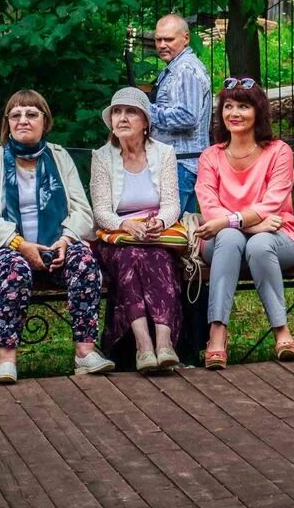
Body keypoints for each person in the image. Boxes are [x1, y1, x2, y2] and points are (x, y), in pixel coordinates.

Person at [0, 90, 114, 383]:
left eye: (32, 114)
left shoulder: (59, 158)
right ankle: (7, 358)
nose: (24, 120)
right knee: (14, 269)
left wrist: (66, 239)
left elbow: (83, 211)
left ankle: (84, 353)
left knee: (84, 260)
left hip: (55, 245)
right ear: (7, 123)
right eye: (16, 115)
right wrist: (20, 244)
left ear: (45, 122)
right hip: (8, 247)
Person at [195, 78, 294, 369]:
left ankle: (281, 330)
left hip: (279, 236)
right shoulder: (211, 156)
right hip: (223, 241)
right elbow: (209, 208)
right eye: (228, 106)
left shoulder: (278, 152)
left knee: (259, 243)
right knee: (232, 239)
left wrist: (232, 221)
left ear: (258, 112)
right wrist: (248, 224)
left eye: (243, 106)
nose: (235, 113)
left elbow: (272, 203)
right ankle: (217, 333)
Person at [90, 87, 182, 372]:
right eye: (117, 112)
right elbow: (101, 211)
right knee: (130, 259)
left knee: (158, 259)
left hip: (154, 234)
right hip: (117, 237)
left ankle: (165, 344)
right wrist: (125, 224)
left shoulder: (163, 153)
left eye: (131, 112)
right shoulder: (102, 157)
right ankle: (143, 346)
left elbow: (172, 204)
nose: (122, 118)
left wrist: (159, 222)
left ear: (145, 122)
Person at [150, 14, 212, 213]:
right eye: (158, 39)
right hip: (180, 164)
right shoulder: (176, 68)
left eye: (168, 39)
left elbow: (188, 116)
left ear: (185, 38)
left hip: (181, 164)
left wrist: (145, 111)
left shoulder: (185, 69)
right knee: (184, 231)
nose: (162, 45)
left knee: (172, 233)